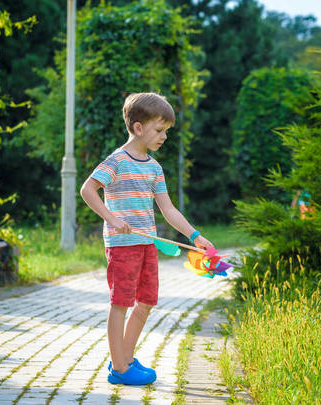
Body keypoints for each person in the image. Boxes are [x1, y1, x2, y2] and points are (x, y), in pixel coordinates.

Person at [80, 92, 214, 386]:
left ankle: (125, 358)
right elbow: (88, 190)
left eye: (166, 130)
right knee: (121, 303)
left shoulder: (154, 168)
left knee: (146, 302)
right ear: (138, 127)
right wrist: (112, 219)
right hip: (121, 246)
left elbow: (167, 209)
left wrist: (195, 235)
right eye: (159, 129)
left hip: (146, 245)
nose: (164, 136)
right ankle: (119, 368)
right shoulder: (115, 161)